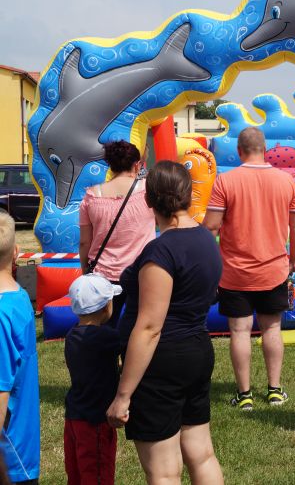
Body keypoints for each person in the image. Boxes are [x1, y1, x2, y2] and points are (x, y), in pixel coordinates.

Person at [107, 161, 223, 485]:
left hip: (161, 364)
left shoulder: (161, 252)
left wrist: (123, 395)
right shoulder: (206, 240)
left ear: (148, 200)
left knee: (163, 471)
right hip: (197, 352)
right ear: (188, 194)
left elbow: (150, 328)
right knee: (202, 453)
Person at [203, 127, 295, 410]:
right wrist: (294, 258)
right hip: (274, 269)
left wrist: (208, 262)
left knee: (239, 331)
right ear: (265, 149)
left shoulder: (226, 181)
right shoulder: (286, 181)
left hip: (234, 272)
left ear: (239, 151)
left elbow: (211, 227)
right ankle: (274, 390)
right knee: (272, 328)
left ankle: (245, 394)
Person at [79, 140, 155, 326]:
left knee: (103, 327)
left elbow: (85, 242)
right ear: (137, 165)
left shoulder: (91, 196)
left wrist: (85, 270)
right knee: (140, 326)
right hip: (141, 272)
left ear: (110, 166)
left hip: (102, 275)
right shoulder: (148, 191)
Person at [64, 274, 122, 485]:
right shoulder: (107, 338)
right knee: (97, 475)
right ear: (107, 306)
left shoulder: (72, 335)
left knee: (77, 475)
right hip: (95, 420)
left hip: (74, 416)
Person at [0, 212, 39, 484]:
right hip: (20, 453)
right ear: (16, 252)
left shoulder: (2, 316)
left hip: (8, 461)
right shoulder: (20, 296)